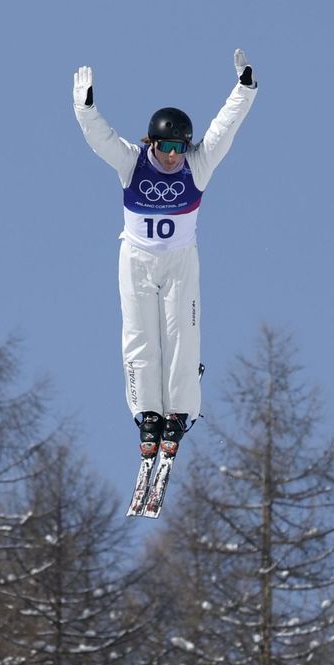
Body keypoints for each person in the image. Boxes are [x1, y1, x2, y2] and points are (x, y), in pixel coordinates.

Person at [73, 49, 259, 462]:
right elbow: (100, 139)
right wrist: (84, 107)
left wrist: (244, 88)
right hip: (137, 259)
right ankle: (147, 414)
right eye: (166, 146)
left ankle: (178, 412)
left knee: (181, 336)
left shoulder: (198, 165)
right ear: (151, 142)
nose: (173, 155)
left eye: (179, 146)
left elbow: (224, 129)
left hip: (179, 262)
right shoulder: (132, 163)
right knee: (139, 336)